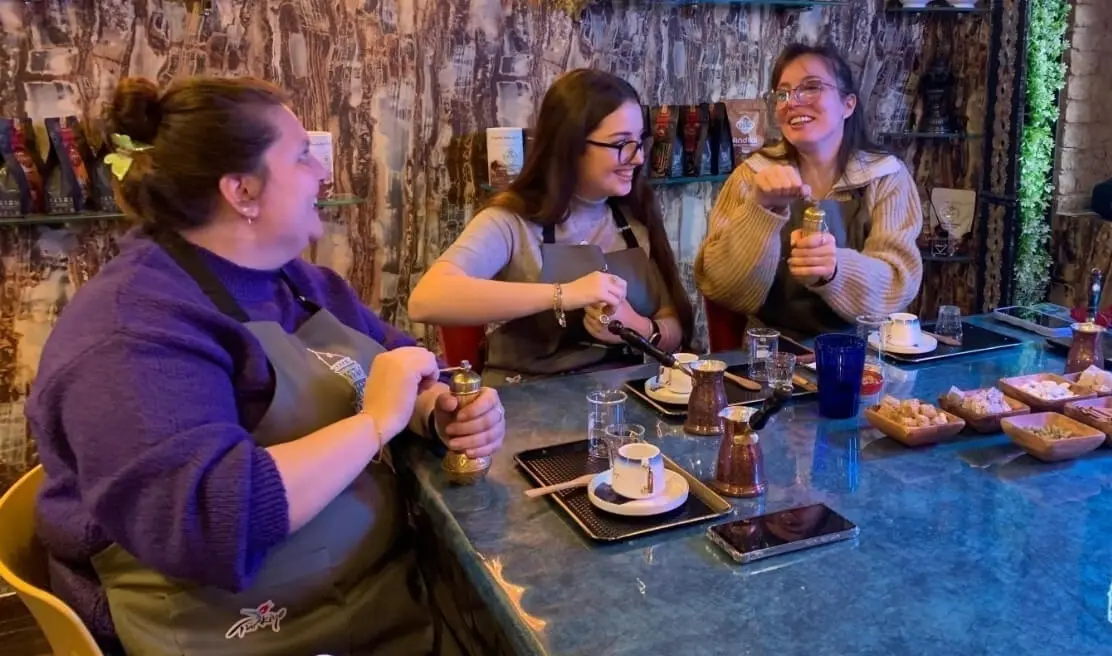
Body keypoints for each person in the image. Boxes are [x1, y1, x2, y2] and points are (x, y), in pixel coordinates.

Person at [25, 75, 505, 655]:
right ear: (243, 191)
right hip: (234, 630)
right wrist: (376, 422)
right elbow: (205, 524)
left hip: (367, 592)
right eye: (302, 155)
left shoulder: (296, 281)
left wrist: (436, 407)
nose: (322, 173)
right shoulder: (130, 331)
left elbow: (400, 358)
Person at [408, 69, 695, 387]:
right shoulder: (511, 221)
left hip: (622, 393)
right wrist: (564, 294)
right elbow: (426, 300)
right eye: (621, 144)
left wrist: (639, 328)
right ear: (570, 146)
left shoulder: (635, 215)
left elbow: (674, 325)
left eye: (639, 142)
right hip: (529, 395)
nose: (638, 157)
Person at [695, 43, 925, 340]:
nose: (792, 102)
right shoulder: (751, 175)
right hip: (769, 349)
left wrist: (835, 269)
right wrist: (760, 210)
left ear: (848, 105)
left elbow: (898, 283)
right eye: (783, 94)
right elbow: (720, 286)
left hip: (865, 349)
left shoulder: (886, 176)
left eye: (811, 87)